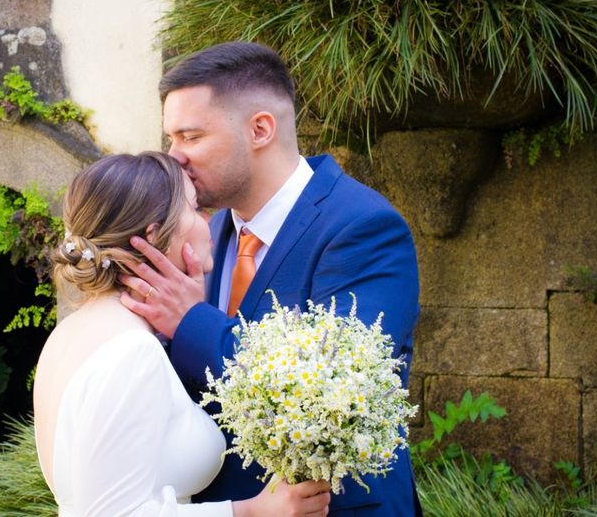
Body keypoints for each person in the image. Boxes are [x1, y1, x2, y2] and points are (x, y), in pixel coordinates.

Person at [119, 42, 421, 516]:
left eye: (191, 137)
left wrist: (191, 320)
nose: (174, 157)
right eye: (170, 138)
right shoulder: (209, 229)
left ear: (260, 129)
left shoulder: (363, 228)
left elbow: (337, 391)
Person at [33, 151, 331, 516]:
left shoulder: (72, 332)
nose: (210, 222)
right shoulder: (131, 351)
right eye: (195, 209)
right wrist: (251, 512)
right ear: (158, 236)